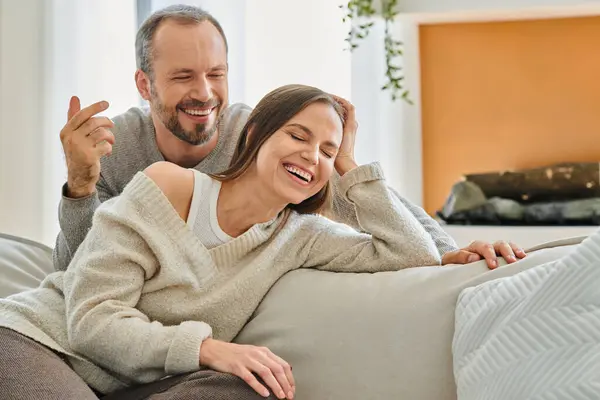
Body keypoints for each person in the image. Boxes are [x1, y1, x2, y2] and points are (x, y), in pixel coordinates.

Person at [1, 84, 444, 399]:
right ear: (253, 135)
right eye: (297, 135)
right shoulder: (169, 187)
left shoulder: (301, 237)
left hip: (133, 380)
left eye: (326, 151)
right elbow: (91, 321)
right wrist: (208, 349)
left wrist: (348, 163)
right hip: (43, 343)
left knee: (249, 387)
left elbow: (412, 252)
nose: (312, 156)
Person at [53, 4, 527, 274]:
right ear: (144, 84)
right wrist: (79, 186)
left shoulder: (254, 134)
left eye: (216, 74)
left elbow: (361, 204)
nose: (203, 93)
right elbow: (79, 272)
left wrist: (449, 252)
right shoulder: (115, 148)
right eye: (182, 76)